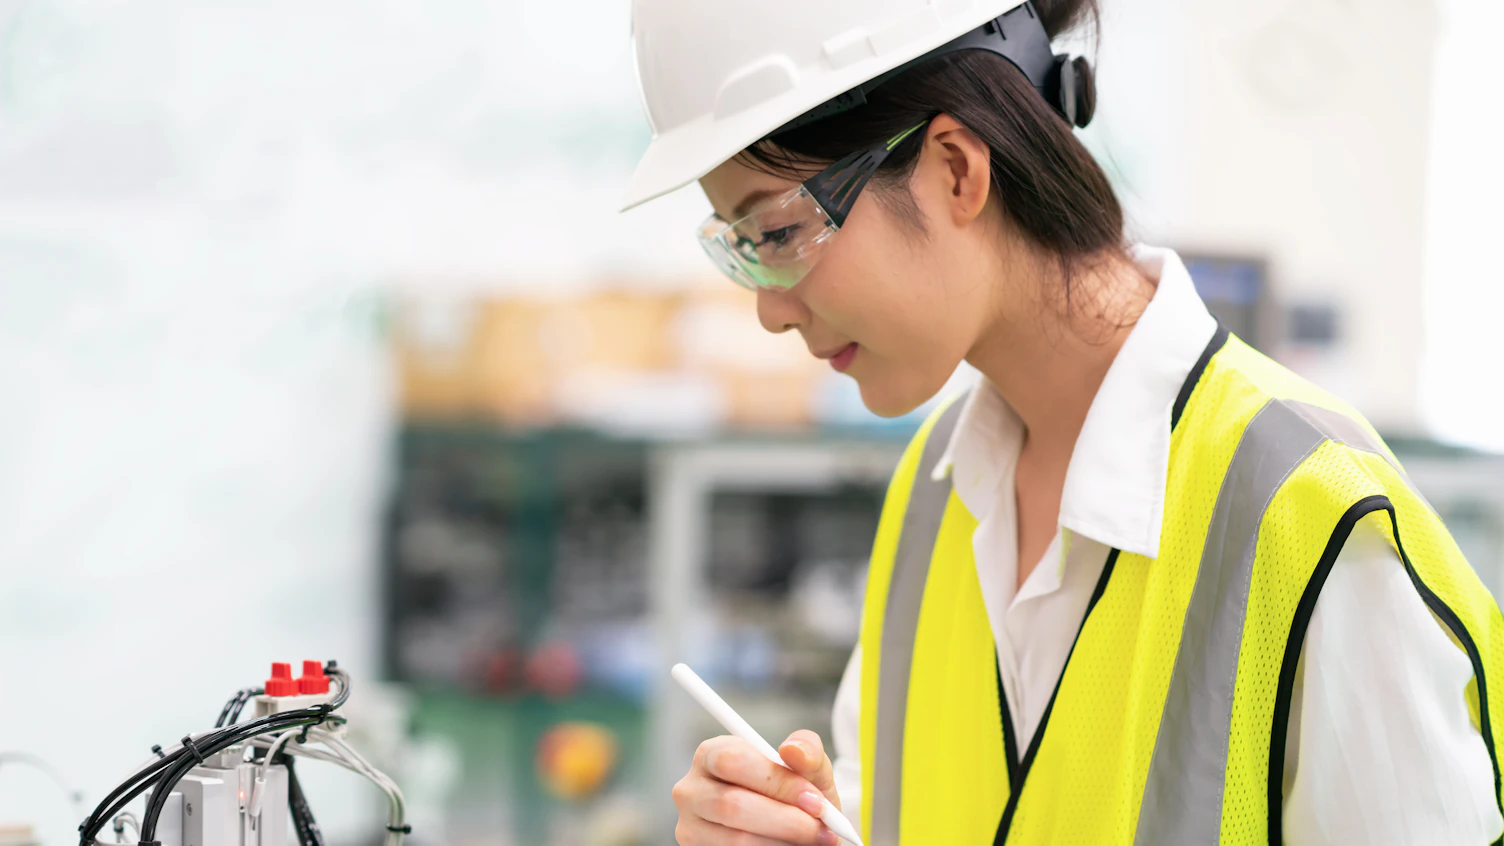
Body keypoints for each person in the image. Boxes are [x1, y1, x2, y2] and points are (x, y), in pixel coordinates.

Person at [619, 1, 1504, 843]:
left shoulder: (1311, 518)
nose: (772, 313)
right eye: (741, 251)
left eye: (778, 234)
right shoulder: (936, 497)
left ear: (957, 170)